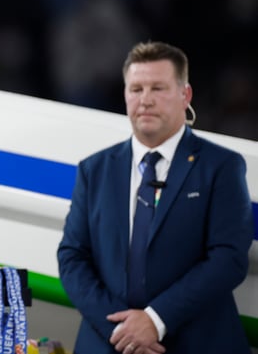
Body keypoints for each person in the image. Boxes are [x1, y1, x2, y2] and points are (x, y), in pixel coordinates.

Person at [57, 41, 253, 353]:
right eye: (136, 89)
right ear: (125, 94)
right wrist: (124, 331)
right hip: (111, 342)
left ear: (184, 95)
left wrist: (155, 320)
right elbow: (72, 258)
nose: (145, 100)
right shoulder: (94, 170)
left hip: (196, 343)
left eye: (158, 88)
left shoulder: (222, 167)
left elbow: (228, 258)